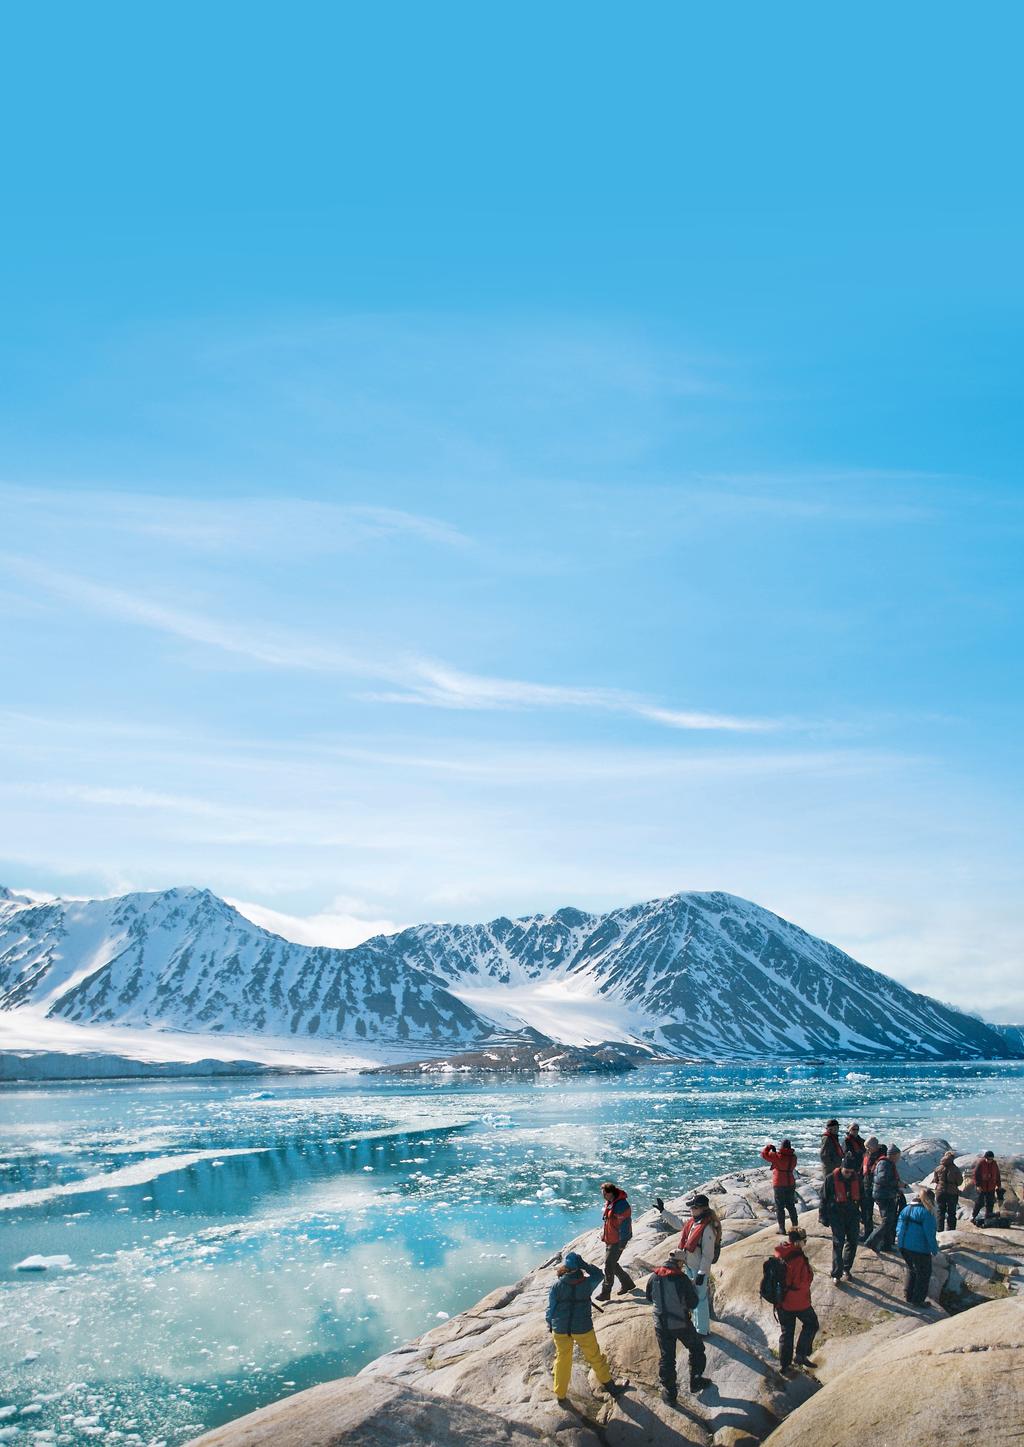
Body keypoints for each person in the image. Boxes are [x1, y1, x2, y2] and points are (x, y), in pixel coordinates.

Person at [546, 1251, 628, 1403]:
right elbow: (598, 1274)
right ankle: (612, 1388)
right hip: (583, 1328)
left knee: (562, 1360)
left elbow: (551, 1308)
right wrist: (585, 1265)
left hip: (561, 1328)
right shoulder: (586, 1283)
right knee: (595, 1358)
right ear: (579, 1267)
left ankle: (560, 1395)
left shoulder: (557, 1285)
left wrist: (550, 1323)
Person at [645, 1247, 711, 1402]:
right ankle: (695, 1380)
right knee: (696, 1348)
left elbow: (649, 1297)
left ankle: (669, 1393)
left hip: (660, 1324)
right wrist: (694, 1288)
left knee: (667, 1357)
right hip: (680, 1323)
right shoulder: (681, 1279)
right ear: (680, 1262)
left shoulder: (653, 1276)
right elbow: (693, 1303)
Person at [655, 1193, 720, 1335]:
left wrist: (702, 1273)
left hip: (699, 1269)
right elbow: (677, 1222)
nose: (691, 1209)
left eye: (694, 1207)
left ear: (702, 1209)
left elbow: (708, 1255)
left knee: (700, 1299)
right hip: (690, 1266)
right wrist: (663, 1211)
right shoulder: (693, 1222)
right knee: (693, 1297)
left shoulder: (708, 1228)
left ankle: (702, 1330)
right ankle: (697, 1326)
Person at [773, 1227, 818, 1373]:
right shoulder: (797, 1258)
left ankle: (784, 1366)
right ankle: (801, 1355)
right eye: (804, 1241)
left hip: (781, 1301)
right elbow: (803, 1281)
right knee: (812, 1324)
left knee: (787, 1333)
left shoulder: (781, 1252)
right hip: (797, 1301)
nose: (805, 1243)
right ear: (798, 1242)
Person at [820, 1153, 861, 1282]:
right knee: (838, 1242)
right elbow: (824, 1198)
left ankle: (846, 1268)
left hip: (852, 1214)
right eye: (846, 1171)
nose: (848, 1174)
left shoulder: (856, 1178)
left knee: (853, 1241)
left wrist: (865, 1215)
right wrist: (823, 1216)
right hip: (836, 1214)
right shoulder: (831, 1179)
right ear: (841, 1168)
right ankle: (836, 1273)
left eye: (850, 1172)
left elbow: (863, 1197)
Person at [895, 1188, 939, 1307]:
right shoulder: (926, 1213)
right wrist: (935, 1250)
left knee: (911, 1269)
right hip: (918, 1248)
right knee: (924, 1273)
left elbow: (898, 1227)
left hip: (903, 1246)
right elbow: (930, 1234)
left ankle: (908, 1295)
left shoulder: (906, 1209)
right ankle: (918, 1300)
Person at [597, 1181, 636, 1300]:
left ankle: (605, 1292)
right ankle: (627, 1283)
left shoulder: (621, 1205)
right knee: (612, 1263)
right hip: (610, 1238)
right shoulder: (611, 1202)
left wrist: (622, 1243)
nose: (602, 1195)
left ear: (610, 1193)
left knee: (609, 1265)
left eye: (604, 1193)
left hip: (617, 1240)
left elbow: (625, 1225)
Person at [865, 1145, 902, 1254]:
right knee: (887, 1220)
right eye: (898, 1155)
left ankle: (887, 1245)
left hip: (888, 1194)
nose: (899, 1158)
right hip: (883, 1195)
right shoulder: (884, 1164)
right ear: (893, 1155)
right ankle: (872, 1241)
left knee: (890, 1220)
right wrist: (897, 1184)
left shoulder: (889, 1163)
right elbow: (882, 1179)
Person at [761, 1139, 799, 1234]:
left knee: (780, 1207)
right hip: (790, 1182)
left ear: (781, 1146)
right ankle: (795, 1226)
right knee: (791, 1206)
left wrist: (769, 1147)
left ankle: (782, 1228)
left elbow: (763, 1154)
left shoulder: (777, 1156)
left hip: (779, 1183)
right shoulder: (794, 1157)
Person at [932, 1151, 963, 1231]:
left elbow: (935, 1180)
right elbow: (959, 1182)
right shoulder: (955, 1169)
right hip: (952, 1192)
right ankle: (951, 1230)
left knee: (940, 1211)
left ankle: (939, 1229)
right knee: (951, 1212)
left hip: (940, 1192)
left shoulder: (938, 1168)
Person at [861, 1136, 884, 1236]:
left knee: (883, 1214)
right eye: (866, 1147)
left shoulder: (881, 1157)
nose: (867, 1149)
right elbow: (862, 1169)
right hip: (866, 1185)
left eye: (869, 1147)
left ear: (875, 1147)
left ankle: (883, 1237)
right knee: (867, 1212)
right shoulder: (867, 1155)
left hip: (877, 1187)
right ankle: (868, 1233)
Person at [971, 1152, 1001, 1224]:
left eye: (991, 1159)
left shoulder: (994, 1164)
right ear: (985, 1158)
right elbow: (975, 1175)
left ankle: (988, 1217)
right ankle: (973, 1216)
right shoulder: (981, 1164)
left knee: (990, 1203)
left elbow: (997, 1175)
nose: (990, 1160)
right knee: (979, 1202)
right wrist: (978, 1185)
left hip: (991, 1187)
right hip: (982, 1187)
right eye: (988, 1159)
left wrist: (999, 1184)